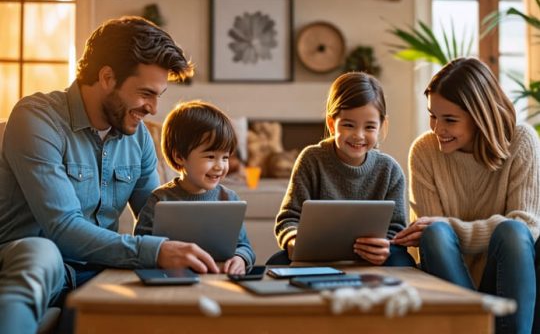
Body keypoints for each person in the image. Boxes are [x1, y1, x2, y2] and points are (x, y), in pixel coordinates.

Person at [0, 16, 221, 334]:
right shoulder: (37, 118)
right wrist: (154, 250)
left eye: (159, 95)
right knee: (41, 251)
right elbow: (62, 228)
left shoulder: (138, 137)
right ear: (106, 77)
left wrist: (225, 250)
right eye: (146, 93)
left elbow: (158, 217)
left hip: (102, 268)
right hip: (39, 261)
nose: (154, 108)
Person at [393, 57, 540, 334]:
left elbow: (527, 228)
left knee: (512, 231)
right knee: (434, 232)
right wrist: (443, 228)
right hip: (451, 277)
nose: (437, 129)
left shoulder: (522, 141)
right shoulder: (424, 151)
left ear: (480, 116)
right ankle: (471, 325)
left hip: (506, 278)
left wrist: (452, 227)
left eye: (449, 120)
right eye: (433, 115)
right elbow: (427, 236)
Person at [272, 72, 416, 266]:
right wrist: (293, 240)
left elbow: (396, 230)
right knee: (276, 261)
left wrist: (386, 247)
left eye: (370, 127)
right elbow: (289, 218)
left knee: (402, 260)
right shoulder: (311, 160)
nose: (358, 135)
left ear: (382, 125)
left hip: (371, 258)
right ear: (332, 124)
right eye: (349, 125)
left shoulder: (390, 170)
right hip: (317, 254)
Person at [134, 100, 256, 274]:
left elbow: (244, 246)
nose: (220, 166)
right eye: (210, 156)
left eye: (225, 157)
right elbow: (141, 248)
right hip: (172, 280)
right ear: (179, 157)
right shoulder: (159, 200)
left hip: (218, 278)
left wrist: (241, 258)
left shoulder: (229, 200)